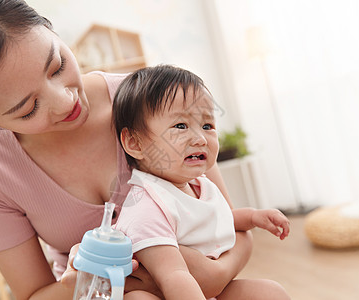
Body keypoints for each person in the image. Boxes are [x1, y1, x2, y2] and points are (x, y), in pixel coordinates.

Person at [0, 1, 254, 299]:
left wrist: (214, 275)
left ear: (51, 31)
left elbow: (229, 223)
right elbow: (33, 294)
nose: (66, 101)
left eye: (57, 66)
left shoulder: (151, 103)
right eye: (28, 108)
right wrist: (80, 284)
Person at [112, 65, 291, 300]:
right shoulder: (147, 206)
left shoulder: (199, 185)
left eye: (207, 126)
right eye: (180, 126)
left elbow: (215, 219)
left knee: (270, 292)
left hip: (206, 289)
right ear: (135, 143)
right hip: (170, 291)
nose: (199, 138)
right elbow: (174, 275)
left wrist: (253, 217)